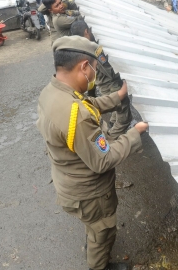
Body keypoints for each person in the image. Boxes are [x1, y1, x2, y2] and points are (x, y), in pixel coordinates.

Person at [36, 36, 148, 270]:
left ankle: (94, 241)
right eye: (94, 69)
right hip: (89, 193)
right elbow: (102, 160)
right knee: (103, 229)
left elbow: (88, 105)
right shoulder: (75, 114)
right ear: (84, 67)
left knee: (94, 226)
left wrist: (117, 97)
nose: (95, 75)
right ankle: (99, 265)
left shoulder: (53, 91)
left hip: (69, 180)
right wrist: (134, 134)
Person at [69, 19, 134, 136]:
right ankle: (111, 140)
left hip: (103, 86)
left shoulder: (81, 48)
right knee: (124, 119)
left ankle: (112, 124)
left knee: (116, 110)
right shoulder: (96, 51)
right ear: (86, 32)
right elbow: (110, 72)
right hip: (112, 87)